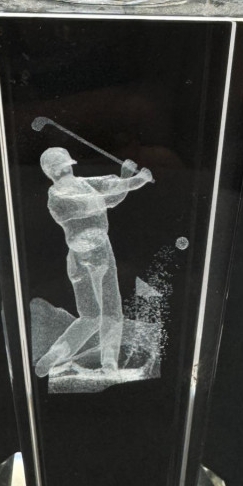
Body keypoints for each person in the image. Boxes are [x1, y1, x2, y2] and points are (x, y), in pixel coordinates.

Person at [35, 146, 153, 378]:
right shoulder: (64, 195)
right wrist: (137, 179)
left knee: (89, 317)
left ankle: (56, 353)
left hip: (77, 257)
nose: (67, 170)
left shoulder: (63, 192)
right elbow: (105, 198)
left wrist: (126, 176)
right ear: (61, 168)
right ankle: (109, 363)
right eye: (65, 167)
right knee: (111, 312)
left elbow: (112, 194)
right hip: (98, 252)